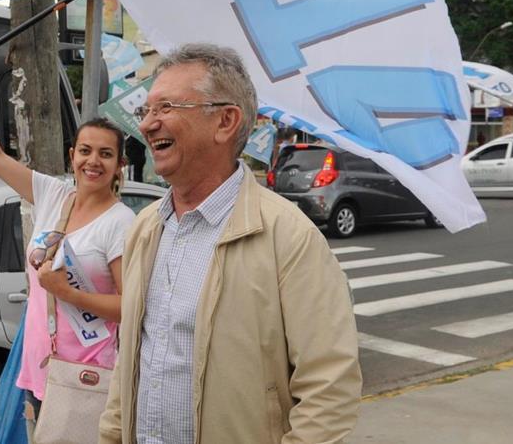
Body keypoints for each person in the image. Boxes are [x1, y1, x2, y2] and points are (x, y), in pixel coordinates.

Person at [99, 43, 361, 444]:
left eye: (166, 108)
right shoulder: (145, 228)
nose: (148, 125)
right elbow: (130, 361)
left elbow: (330, 389)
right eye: (146, 111)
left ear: (225, 121)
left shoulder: (288, 235)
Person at [0, 61, 136, 430]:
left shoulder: (120, 223)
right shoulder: (53, 195)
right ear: (72, 154)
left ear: (119, 165)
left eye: (105, 154)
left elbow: (129, 306)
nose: (93, 162)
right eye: (85, 151)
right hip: (39, 366)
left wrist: (67, 293)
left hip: (88, 375)